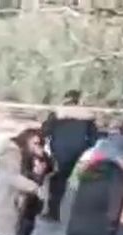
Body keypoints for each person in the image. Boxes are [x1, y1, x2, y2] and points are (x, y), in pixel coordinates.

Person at [41, 91, 99, 221]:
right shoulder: (87, 116)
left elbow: (45, 131)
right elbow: (94, 137)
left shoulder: (57, 114)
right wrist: (86, 149)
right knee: (71, 181)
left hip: (59, 151)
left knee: (55, 181)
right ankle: (68, 212)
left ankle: (52, 211)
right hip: (77, 152)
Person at [13, 134, 54, 235]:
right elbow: (20, 176)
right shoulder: (23, 157)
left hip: (35, 201)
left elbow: (53, 168)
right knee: (20, 230)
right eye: (35, 143)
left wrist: (45, 160)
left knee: (27, 230)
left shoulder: (44, 158)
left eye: (40, 143)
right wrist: (34, 173)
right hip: (22, 198)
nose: (38, 146)